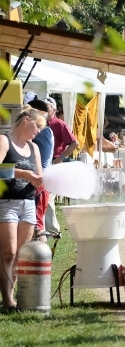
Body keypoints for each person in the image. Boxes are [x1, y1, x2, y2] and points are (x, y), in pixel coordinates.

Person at [0, 107, 45, 311]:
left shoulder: (34, 147)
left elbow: (39, 173)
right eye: (37, 127)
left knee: (20, 255)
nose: (38, 133)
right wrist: (24, 175)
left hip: (27, 204)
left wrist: (40, 181)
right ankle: (8, 299)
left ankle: (11, 297)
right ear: (26, 120)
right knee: (8, 252)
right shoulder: (3, 141)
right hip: (6, 202)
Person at [28, 99, 53, 238]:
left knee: (37, 226)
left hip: (39, 183)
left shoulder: (42, 131)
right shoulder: (46, 130)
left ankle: (40, 258)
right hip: (41, 182)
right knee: (38, 223)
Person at [45, 97, 78, 164]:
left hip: (53, 161)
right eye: (42, 108)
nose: (44, 110)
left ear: (54, 110)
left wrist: (60, 158)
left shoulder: (59, 124)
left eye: (47, 108)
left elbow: (75, 143)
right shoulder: (39, 123)